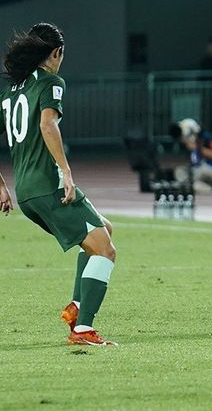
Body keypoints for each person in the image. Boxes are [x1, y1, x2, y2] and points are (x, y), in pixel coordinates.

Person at [0, 23, 117, 345]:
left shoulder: (11, 91)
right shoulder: (51, 82)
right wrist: (66, 172)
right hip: (48, 184)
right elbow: (48, 124)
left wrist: (1, 186)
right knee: (105, 251)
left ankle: (77, 307)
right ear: (56, 52)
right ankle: (83, 329)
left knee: (103, 230)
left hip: (26, 192)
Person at [170, 118, 212, 194]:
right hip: (201, 175)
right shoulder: (189, 143)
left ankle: (185, 185)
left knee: (203, 169)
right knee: (179, 170)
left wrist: (197, 148)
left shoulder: (207, 137)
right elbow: (194, 163)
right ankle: (198, 187)